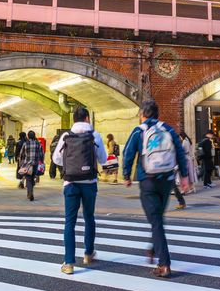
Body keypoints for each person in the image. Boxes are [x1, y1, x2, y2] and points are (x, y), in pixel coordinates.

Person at [122, 99, 191, 278]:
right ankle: (154, 247)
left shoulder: (139, 131)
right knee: (158, 218)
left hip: (148, 180)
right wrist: (184, 176)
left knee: (156, 221)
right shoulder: (168, 129)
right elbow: (180, 152)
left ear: (142, 115)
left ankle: (164, 264)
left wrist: (126, 175)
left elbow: (128, 153)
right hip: (167, 179)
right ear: (158, 114)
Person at [54, 106, 106, 274]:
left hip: (71, 183)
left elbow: (57, 159)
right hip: (89, 182)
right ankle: (88, 253)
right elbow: (103, 159)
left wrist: (71, 165)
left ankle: (69, 263)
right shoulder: (94, 136)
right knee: (89, 217)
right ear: (87, 119)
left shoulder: (66, 136)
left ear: (74, 120)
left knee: (70, 221)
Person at [17, 129, 44, 201]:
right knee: (33, 177)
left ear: (28, 137)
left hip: (27, 164)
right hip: (36, 163)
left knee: (28, 178)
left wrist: (21, 163)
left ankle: (30, 193)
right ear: (34, 136)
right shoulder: (39, 144)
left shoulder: (25, 144)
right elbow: (41, 154)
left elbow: (21, 154)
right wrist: (42, 162)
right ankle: (31, 189)